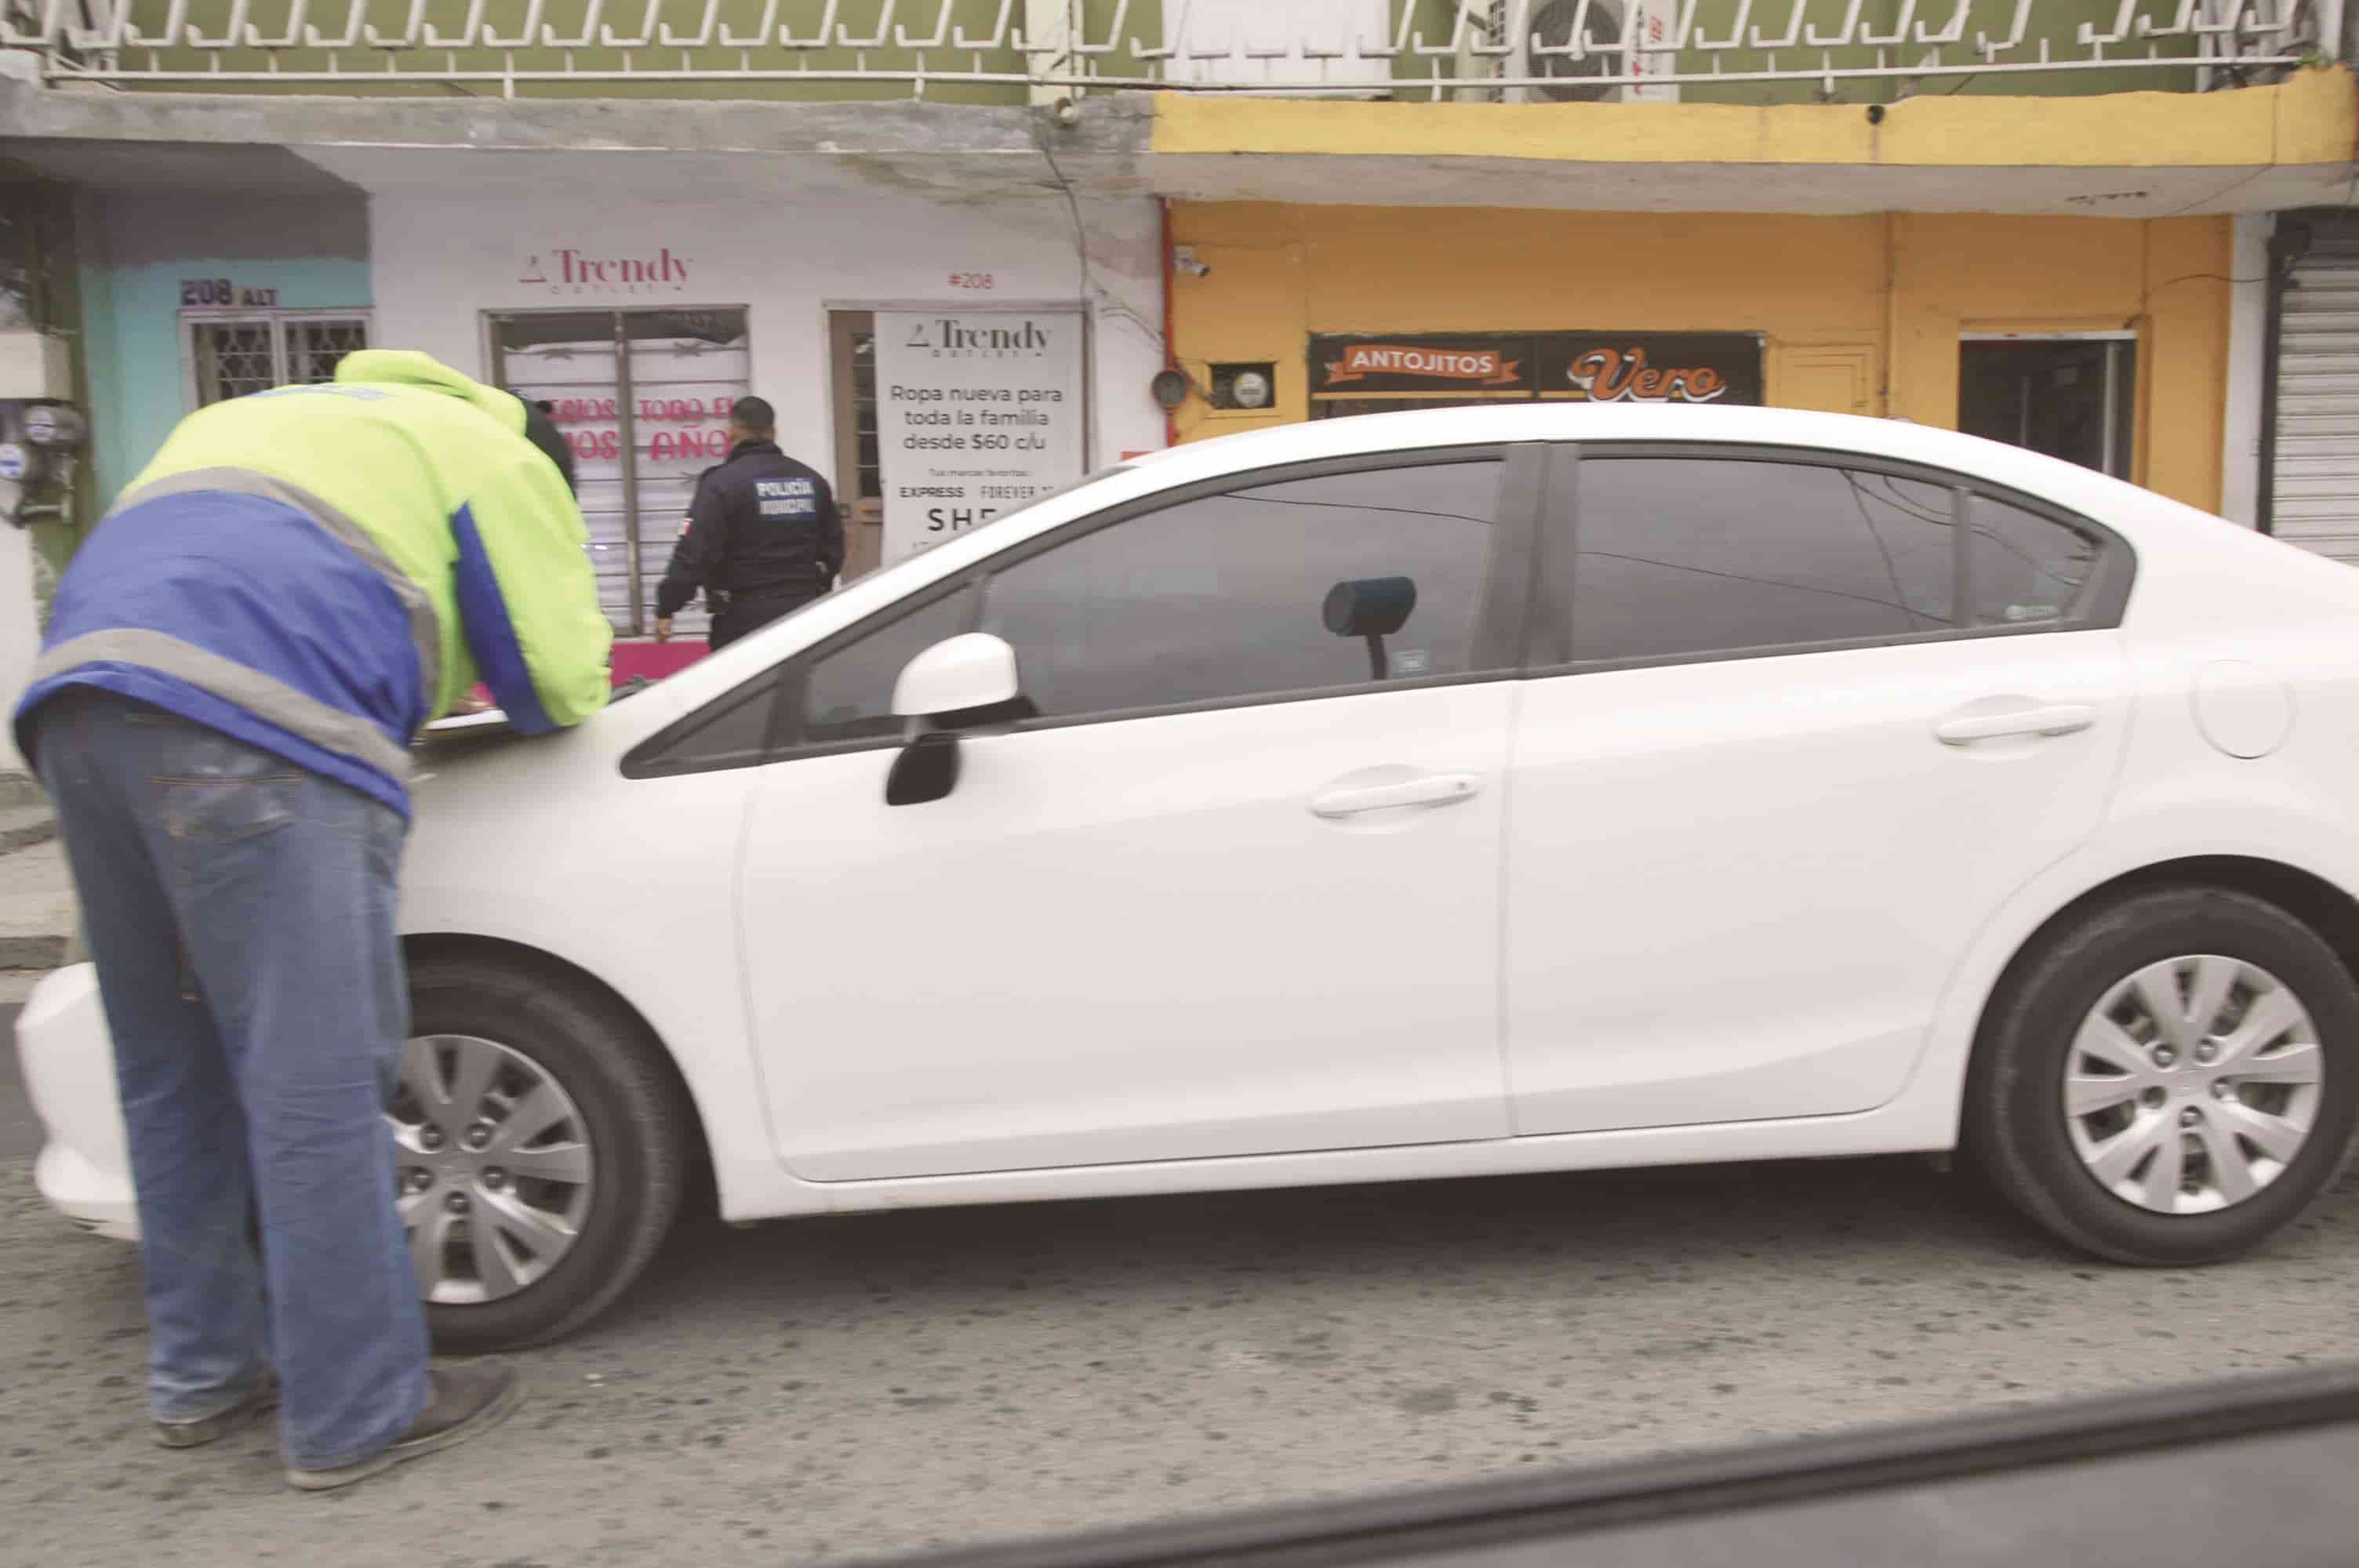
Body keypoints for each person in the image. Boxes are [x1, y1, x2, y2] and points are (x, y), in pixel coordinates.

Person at [13, 350, 612, 1492]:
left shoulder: (266, 417)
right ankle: (356, 1409)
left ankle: (206, 1376)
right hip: (254, 727)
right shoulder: (498, 455)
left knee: (169, 1070)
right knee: (316, 1087)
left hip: (78, 709)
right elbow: (557, 681)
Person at [653, 395, 842, 649]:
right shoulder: (812, 481)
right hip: (804, 614)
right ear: (773, 433)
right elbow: (833, 551)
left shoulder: (721, 484)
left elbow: (693, 553)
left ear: (731, 432)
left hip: (742, 619)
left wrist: (668, 606)